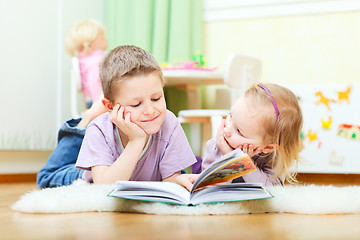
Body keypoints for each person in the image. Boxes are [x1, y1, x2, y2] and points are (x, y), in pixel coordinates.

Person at [37, 45, 197, 188]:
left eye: (156, 98)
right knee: (46, 177)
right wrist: (137, 141)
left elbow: (170, 180)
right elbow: (104, 187)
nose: (150, 110)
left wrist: (177, 182)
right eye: (136, 104)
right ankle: (88, 116)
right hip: (89, 176)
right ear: (111, 107)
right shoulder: (99, 128)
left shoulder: (169, 122)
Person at [177, 83, 303, 191]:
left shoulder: (274, 157)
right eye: (230, 116)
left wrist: (243, 162)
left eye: (239, 131)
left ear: (268, 147)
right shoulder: (217, 145)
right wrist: (228, 157)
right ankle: (197, 164)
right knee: (196, 173)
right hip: (208, 167)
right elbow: (212, 189)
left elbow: (271, 190)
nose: (226, 130)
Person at [65, 19, 107, 108]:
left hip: (93, 100)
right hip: (98, 102)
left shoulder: (85, 59)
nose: (106, 41)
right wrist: (100, 106)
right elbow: (94, 84)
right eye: (102, 38)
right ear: (92, 44)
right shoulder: (95, 61)